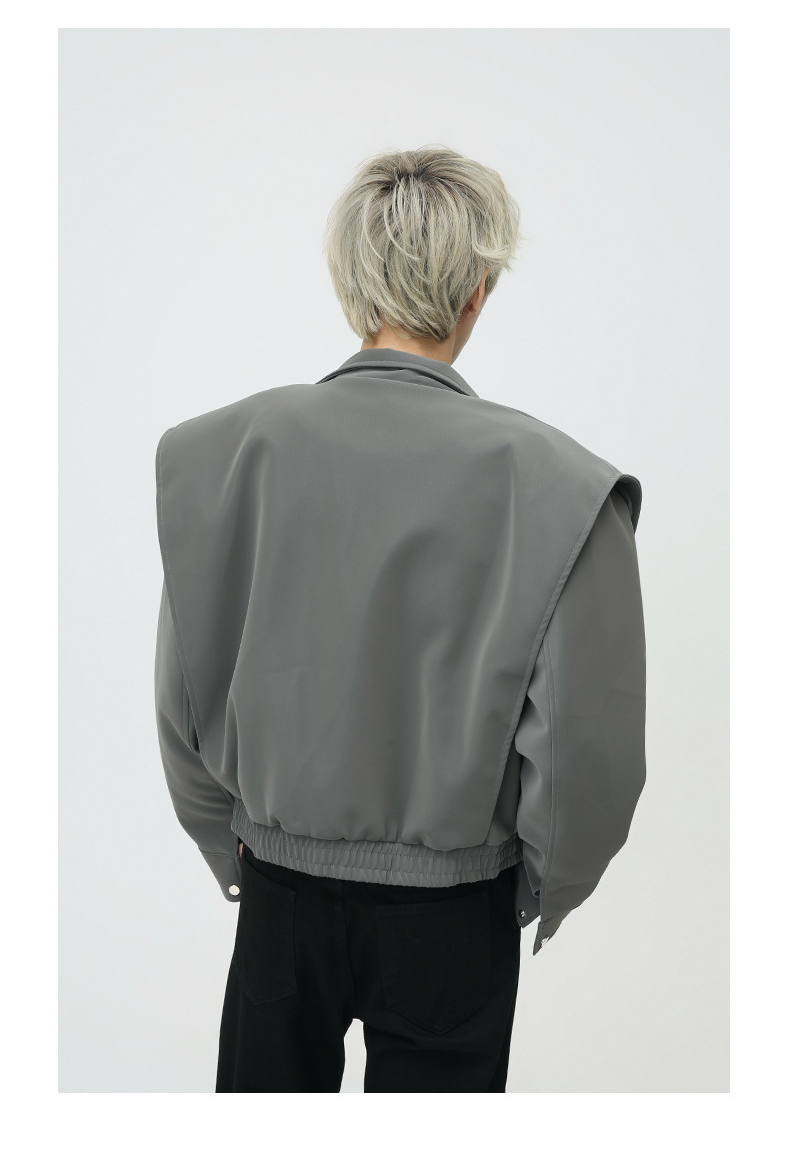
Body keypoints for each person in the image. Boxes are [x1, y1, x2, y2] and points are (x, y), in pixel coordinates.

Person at [154, 145, 647, 1092]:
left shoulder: (222, 454)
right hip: (454, 911)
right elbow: (586, 754)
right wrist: (535, 886)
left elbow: (183, 694)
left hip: (280, 896)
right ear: (477, 294)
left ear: (350, 285)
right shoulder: (563, 487)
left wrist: (238, 849)